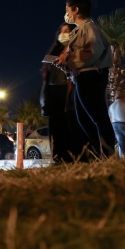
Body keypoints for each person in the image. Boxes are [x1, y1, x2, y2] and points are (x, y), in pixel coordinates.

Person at [55, 0, 115, 158]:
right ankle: (100, 154)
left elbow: (91, 52)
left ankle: (108, 154)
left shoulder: (88, 28)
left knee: (97, 116)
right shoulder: (81, 29)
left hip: (91, 76)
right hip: (83, 76)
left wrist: (68, 57)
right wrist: (65, 63)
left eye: (67, 9)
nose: (66, 13)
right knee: (85, 118)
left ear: (75, 9)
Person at [40, 23, 89, 163]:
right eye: (61, 31)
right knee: (57, 127)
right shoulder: (54, 51)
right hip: (54, 92)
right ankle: (58, 158)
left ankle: (77, 157)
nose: (64, 33)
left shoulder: (76, 48)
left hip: (70, 90)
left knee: (72, 124)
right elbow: (46, 77)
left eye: (67, 31)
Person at [108, 89, 125, 157]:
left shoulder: (112, 106)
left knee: (121, 143)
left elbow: (110, 118)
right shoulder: (124, 102)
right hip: (124, 122)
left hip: (115, 125)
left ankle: (122, 158)